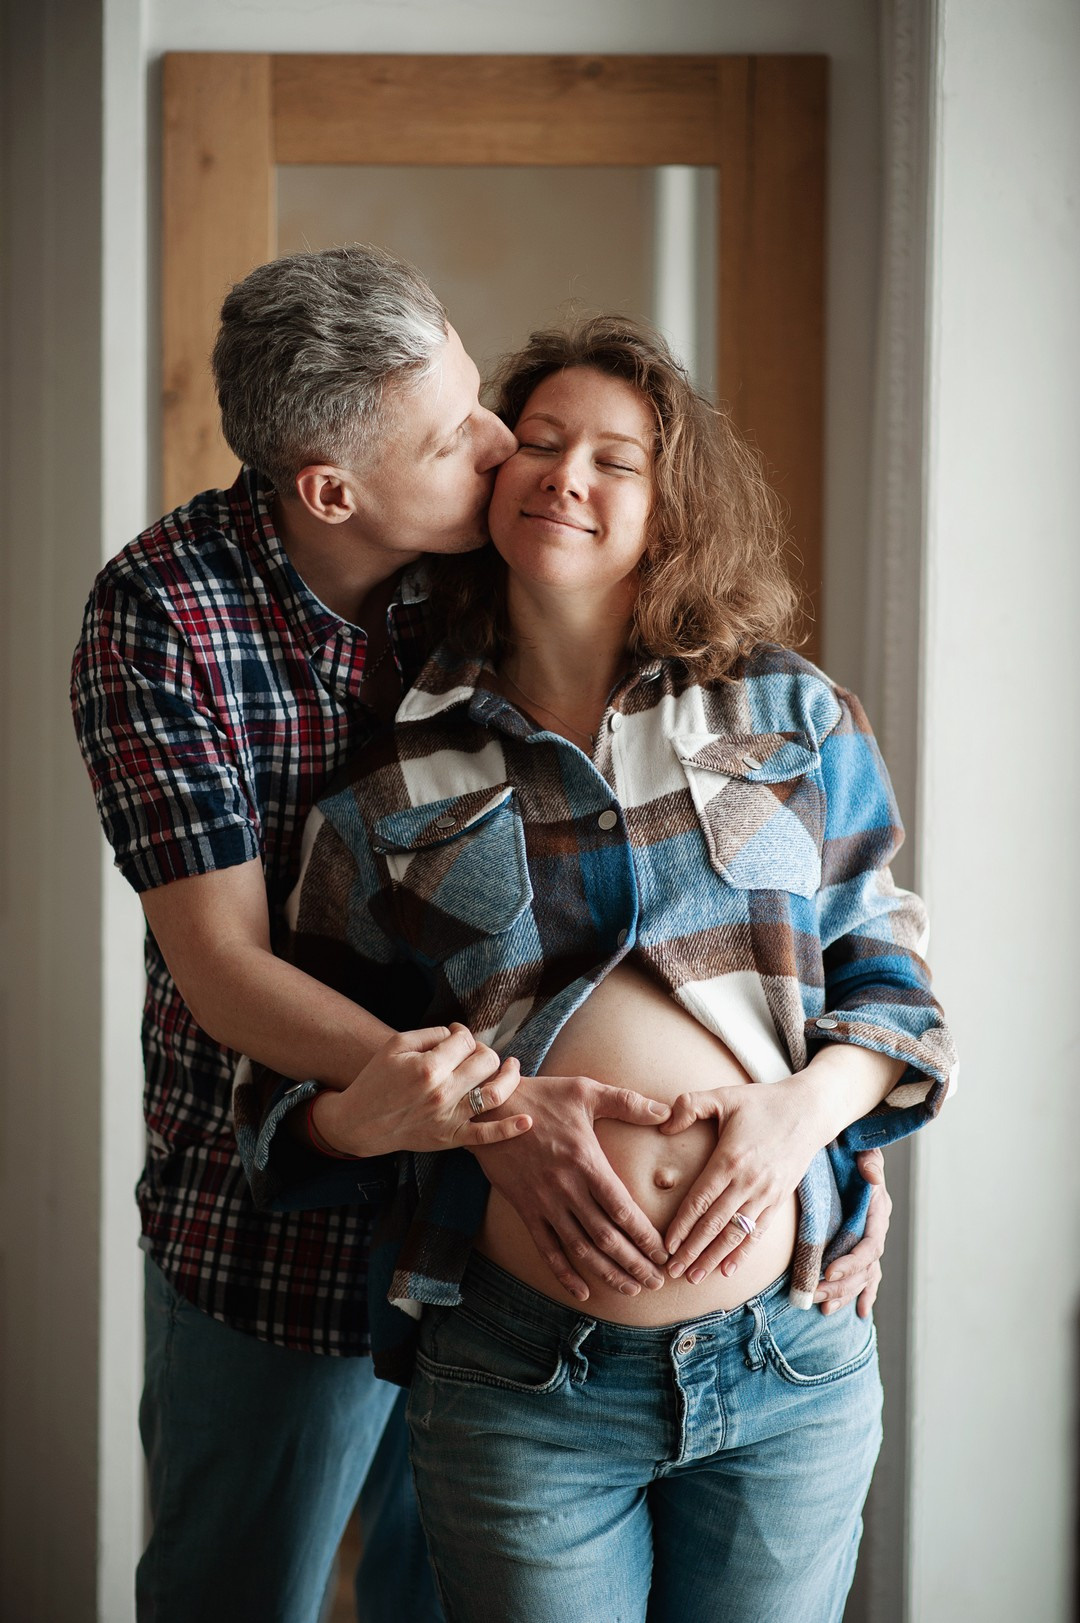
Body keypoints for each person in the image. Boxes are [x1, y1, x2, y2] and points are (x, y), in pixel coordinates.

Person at [71, 246, 893, 1623]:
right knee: (237, 1590)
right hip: (305, 1215)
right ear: (335, 490)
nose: (514, 450)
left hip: (592, 1305)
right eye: (466, 435)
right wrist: (500, 1116)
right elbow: (225, 967)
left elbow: (830, 961)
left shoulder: (608, 631)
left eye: (483, 400)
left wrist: (826, 1142)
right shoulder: (172, 619)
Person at [261, 316, 956, 1622]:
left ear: (671, 505)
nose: (568, 473)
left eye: (616, 457)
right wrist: (468, 1119)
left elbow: (888, 973)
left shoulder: (792, 713)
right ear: (489, 478)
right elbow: (298, 1094)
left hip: (790, 1359)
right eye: (538, 441)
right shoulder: (388, 779)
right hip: (524, 1380)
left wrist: (797, 1122)